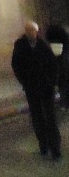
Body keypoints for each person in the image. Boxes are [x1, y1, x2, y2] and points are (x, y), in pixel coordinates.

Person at [12, 20, 61, 158]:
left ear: (36, 31)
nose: (32, 33)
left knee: (50, 118)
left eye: (33, 30)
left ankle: (55, 148)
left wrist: (52, 82)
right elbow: (16, 66)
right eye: (29, 30)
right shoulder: (20, 46)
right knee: (37, 117)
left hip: (46, 87)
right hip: (32, 88)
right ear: (26, 31)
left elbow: (53, 64)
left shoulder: (43, 45)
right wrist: (25, 82)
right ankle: (43, 145)